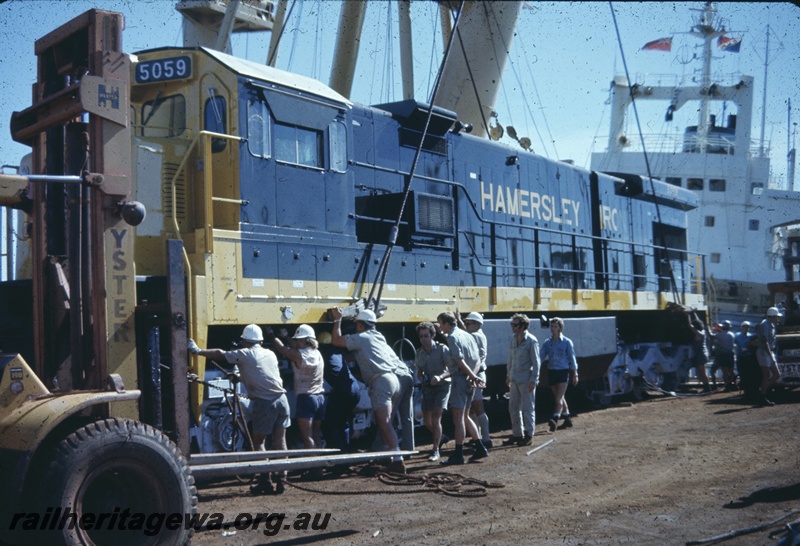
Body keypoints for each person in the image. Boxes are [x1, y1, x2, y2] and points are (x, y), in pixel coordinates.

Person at [188, 325, 290, 494]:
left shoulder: (245, 354)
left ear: (244, 341)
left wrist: (197, 351)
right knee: (280, 441)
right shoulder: (270, 353)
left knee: (259, 442)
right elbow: (261, 374)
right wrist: (240, 377)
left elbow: (220, 354)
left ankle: (265, 480)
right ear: (261, 341)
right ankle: (283, 480)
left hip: (266, 404)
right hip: (282, 401)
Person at [329, 307, 412, 473]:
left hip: (381, 382)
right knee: (388, 422)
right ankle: (389, 456)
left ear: (360, 325)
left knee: (385, 423)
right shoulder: (378, 337)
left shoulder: (361, 337)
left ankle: (397, 461)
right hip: (393, 380)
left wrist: (337, 320)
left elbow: (336, 341)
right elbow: (362, 355)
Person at [435, 311, 489, 465]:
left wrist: (471, 376)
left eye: (440, 323)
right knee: (465, 416)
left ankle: (458, 454)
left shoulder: (452, 337)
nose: (439, 327)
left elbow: (459, 361)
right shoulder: (467, 335)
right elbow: (478, 358)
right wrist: (473, 375)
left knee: (458, 418)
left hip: (461, 379)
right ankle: (480, 447)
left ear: (446, 323)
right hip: (468, 379)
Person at [269, 325, 326, 450]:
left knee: (307, 437)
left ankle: (314, 466)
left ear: (306, 340)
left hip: (306, 398)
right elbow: (296, 347)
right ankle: (320, 466)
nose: (296, 341)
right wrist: (286, 337)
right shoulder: (317, 353)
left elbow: (282, 349)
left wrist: (271, 334)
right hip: (320, 398)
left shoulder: (299, 356)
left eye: (299, 339)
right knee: (315, 435)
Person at [414, 321, 452, 462]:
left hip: (442, 387)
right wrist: (420, 376)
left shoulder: (442, 349)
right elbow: (419, 370)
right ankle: (441, 437)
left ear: (432, 335)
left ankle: (435, 450)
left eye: (426, 336)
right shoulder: (420, 353)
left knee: (436, 417)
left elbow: (452, 369)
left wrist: (440, 376)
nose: (423, 339)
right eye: (421, 336)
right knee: (426, 420)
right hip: (428, 388)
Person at [318, 331, 361, 452]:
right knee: (342, 422)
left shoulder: (321, 353)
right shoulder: (337, 352)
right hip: (355, 389)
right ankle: (345, 454)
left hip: (343, 392)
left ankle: (339, 455)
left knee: (328, 424)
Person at [456, 310, 492, 448]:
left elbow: (465, 335)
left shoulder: (476, 336)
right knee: (472, 409)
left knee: (478, 407)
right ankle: (478, 437)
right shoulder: (477, 334)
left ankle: (486, 438)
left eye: (468, 323)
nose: (466, 324)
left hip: (476, 374)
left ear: (476, 324)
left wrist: (458, 322)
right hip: (476, 373)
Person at [504, 314, 540, 446]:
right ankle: (517, 434)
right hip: (514, 379)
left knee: (527, 408)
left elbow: (536, 362)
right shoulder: (513, 339)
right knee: (513, 407)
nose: (513, 327)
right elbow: (511, 359)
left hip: (526, 380)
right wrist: (508, 374)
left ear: (523, 326)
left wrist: (534, 380)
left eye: (515, 325)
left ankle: (529, 434)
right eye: (512, 324)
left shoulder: (531, 340)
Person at [539, 317, 578, 432]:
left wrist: (575, 374)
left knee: (559, 398)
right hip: (552, 371)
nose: (552, 329)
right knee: (559, 397)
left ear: (560, 328)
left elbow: (572, 358)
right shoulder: (547, 343)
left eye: (555, 326)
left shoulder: (567, 342)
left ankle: (555, 419)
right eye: (551, 326)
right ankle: (567, 419)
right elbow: (540, 357)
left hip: (562, 372)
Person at [755, 307, 783, 406]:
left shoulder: (770, 324)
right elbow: (764, 341)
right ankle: (763, 394)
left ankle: (762, 391)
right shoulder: (765, 325)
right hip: (764, 352)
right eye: (776, 317)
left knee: (776, 374)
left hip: (768, 351)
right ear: (772, 316)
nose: (777, 319)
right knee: (767, 374)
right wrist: (770, 355)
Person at [687, 312, 711, 392]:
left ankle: (707, 387)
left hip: (700, 354)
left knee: (702, 372)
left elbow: (690, 325)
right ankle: (706, 387)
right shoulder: (703, 331)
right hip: (702, 354)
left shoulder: (698, 333)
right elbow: (698, 321)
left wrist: (688, 315)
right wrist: (694, 313)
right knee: (701, 372)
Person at [710, 320, 737, 391]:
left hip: (722, 355)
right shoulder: (732, 334)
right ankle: (734, 384)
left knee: (724, 371)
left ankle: (727, 386)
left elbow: (715, 344)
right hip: (730, 354)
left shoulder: (718, 335)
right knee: (731, 371)